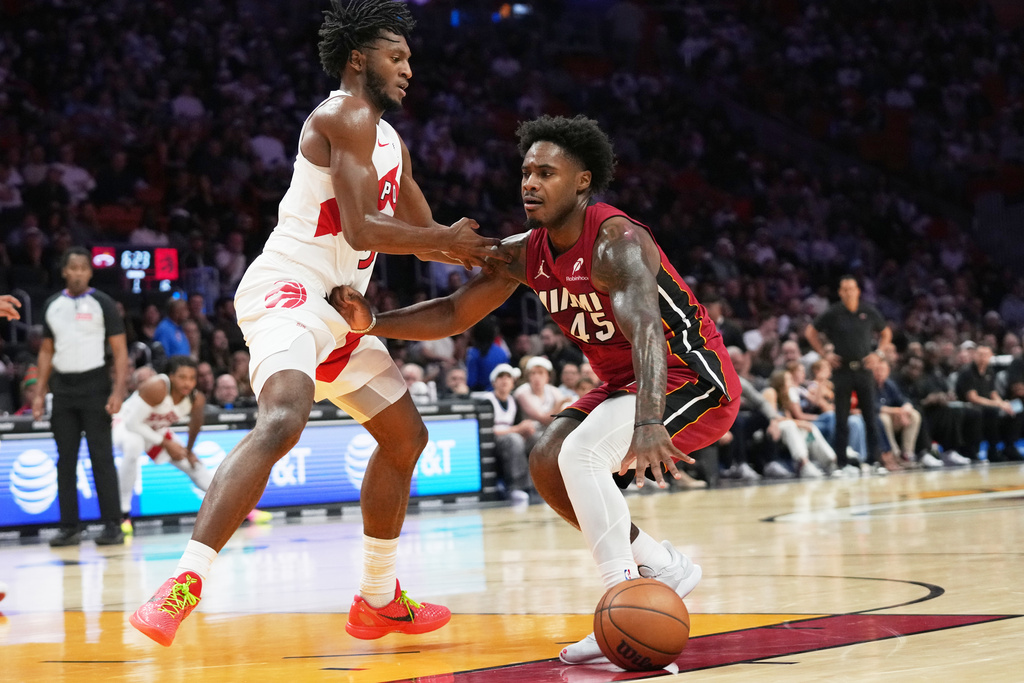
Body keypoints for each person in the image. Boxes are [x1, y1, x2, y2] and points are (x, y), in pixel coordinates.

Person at [129, 0, 507, 648]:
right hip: (289, 288)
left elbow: (433, 240)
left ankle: (380, 598)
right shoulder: (342, 112)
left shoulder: (391, 141)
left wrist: (507, 253)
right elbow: (365, 228)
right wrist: (449, 240)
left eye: (411, 57)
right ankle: (184, 581)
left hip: (341, 312)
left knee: (406, 437)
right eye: (398, 55)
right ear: (359, 58)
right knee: (284, 416)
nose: (409, 68)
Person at [330, 114, 740, 665]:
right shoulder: (526, 251)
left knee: (583, 452)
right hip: (625, 382)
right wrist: (373, 320)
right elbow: (455, 311)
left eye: (546, 173)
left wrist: (647, 424)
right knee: (548, 461)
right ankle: (659, 566)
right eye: (526, 172)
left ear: (582, 181)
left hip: (692, 376)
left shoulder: (616, 241)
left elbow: (647, 332)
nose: (529, 183)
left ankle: (619, 595)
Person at [33, 247, 129, 546]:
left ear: (90, 272)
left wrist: (118, 391)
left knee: (101, 457)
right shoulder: (52, 305)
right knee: (65, 460)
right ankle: (69, 526)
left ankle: (113, 524)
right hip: (62, 390)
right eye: (71, 267)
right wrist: (39, 393)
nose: (77, 273)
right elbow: (46, 351)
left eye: (82, 268)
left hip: (95, 386)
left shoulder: (102, 303)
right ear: (64, 271)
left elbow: (120, 351)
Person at [805, 275, 891, 477]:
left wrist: (878, 354)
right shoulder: (834, 313)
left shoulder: (868, 311)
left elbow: (886, 333)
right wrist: (825, 354)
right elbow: (811, 332)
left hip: (864, 369)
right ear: (840, 292)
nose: (849, 292)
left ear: (858, 291)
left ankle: (874, 460)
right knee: (841, 418)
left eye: (852, 288)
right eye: (844, 289)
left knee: (871, 416)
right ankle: (841, 463)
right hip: (842, 369)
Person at [114, 356, 211, 534]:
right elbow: (132, 424)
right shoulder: (157, 387)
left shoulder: (196, 399)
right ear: (171, 376)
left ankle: (239, 508)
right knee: (134, 446)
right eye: (182, 377)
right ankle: (123, 513)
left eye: (192, 378)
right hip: (125, 424)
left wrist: (189, 451)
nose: (188, 383)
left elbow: (195, 426)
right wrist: (166, 443)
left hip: (154, 430)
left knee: (193, 464)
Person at [474, 363, 537, 505]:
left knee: (536, 439)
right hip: (491, 441)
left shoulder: (513, 401)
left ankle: (538, 484)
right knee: (514, 439)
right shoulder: (487, 401)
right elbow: (486, 430)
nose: (504, 380)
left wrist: (526, 430)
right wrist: (517, 430)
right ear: (493, 382)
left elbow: (518, 425)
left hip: (510, 437)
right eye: (500, 377)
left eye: (508, 377)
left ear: (513, 383)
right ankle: (516, 487)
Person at [955, 344, 1024, 462]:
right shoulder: (967, 372)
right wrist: (997, 405)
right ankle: (992, 450)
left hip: (988, 405)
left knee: (1017, 408)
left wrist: (1003, 403)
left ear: (991, 356)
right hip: (970, 406)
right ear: (974, 355)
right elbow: (973, 398)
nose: (983, 358)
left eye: (986, 355)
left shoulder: (989, 371)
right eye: (980, 354)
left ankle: (1009, 446)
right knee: (993, 412)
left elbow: (993, 393)